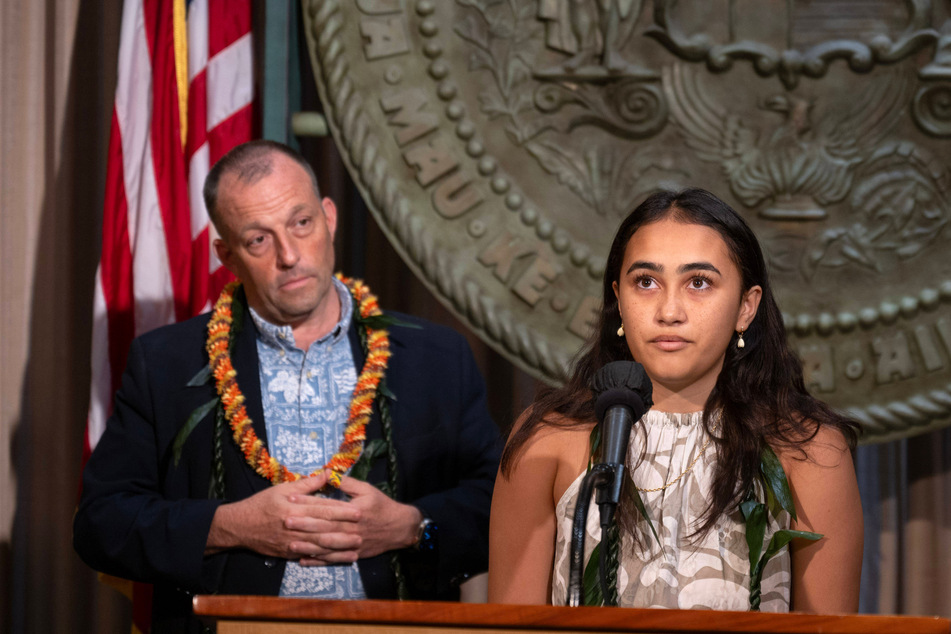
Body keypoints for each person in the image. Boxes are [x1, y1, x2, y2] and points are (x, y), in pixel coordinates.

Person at [74, 140, 501, 631]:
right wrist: (230, 527)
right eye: (259, 239)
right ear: (227, 255)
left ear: (329, 217)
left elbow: (497, 506)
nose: (290, 255)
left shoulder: (436, 358)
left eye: (301, 224)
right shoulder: (165, 365)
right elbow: (100, 524)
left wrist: (412, 528)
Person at [488, 188, 862, 612]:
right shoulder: (548, 439)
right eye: (646, 282)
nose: (669, 310)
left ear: (746, 307)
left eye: (698, 283)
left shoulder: (808, 449)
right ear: (618, 301)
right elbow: (508, 624)